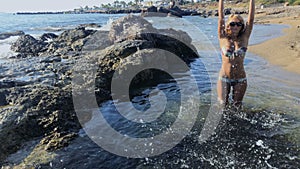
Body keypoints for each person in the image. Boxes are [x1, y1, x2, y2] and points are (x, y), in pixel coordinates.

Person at [217, 0, 255, 109]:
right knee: (221, 105)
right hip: (224, 78)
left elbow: (251, 19)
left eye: (238, 24)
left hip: (240, 79)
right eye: (232, 24)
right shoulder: (223, 37)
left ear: (242, 26)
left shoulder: (244, 38)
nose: (235, 26)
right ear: (228, 25)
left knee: (237, 106)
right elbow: (220, 18)